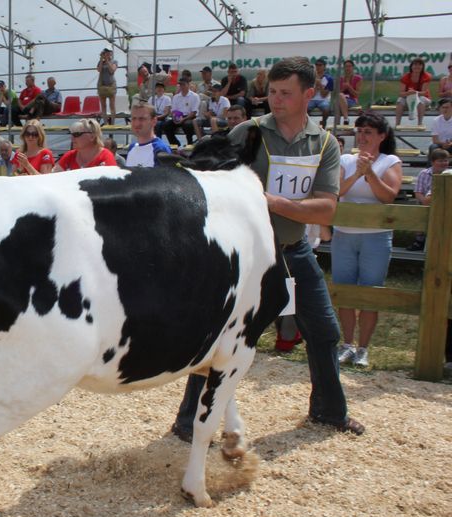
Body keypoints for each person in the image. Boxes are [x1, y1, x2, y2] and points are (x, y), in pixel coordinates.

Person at [172, 56, 365, 442]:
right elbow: (210, 178)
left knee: (324, 332)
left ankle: (329, 411)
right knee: (221, 338)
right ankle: (189, 420)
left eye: (285, 93)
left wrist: (272, 203)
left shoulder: (324, 143)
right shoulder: (249, 131)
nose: (275, 100)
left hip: (294, 250)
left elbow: (328, 205)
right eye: (272, 92)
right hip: (245, 259)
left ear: (309, 94)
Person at [333, 112, 402, 367]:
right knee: (346, 291)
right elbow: (337, 191)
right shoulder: (345, 159)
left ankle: (364, 348)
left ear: (381, 136)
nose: (362, 136)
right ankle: (347, 344)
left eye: (368, 132)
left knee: (371, 292)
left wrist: (370, 173)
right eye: (359, 131)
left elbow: (388, 197)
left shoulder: (390, 161)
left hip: (375, 237)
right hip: (344, 235)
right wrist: (356, 173)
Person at [407, 148, 449, 251]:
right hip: (426, 203)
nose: (444, 163)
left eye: (446, 160)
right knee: (419, 211)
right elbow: (418, 192)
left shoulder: (449, 174)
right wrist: (425, 202)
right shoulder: (424, 173)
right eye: (440, 160)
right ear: (432, 162)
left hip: (445, 205)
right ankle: (419, 241)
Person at [125, 103, 171, 168]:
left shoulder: (160, 149)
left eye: (142, 119)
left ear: (154, 121)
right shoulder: (132, 148)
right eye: (134, 118)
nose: (137, 123)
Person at [163, 72, 201, 146]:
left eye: (184, 84)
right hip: (178, 116)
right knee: (166, 125)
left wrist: (183, 119)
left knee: (187, 125)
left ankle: (189, 144)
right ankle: (175, 144)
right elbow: (173, 110)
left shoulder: (194, 96)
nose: (182, 86)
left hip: (189, 117)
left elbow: (194, 112)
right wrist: (174, 118)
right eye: (180, 85)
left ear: (188, 85)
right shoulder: (176, 97)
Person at [395, 58, 432, 127]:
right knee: (400, 100)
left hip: (423, 98)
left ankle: (420, 124)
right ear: (411, 66)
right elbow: (401, 93)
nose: (417, 67)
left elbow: (424, 93)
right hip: (409, 98)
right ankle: (397, 124)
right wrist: (409, 93)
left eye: (419, 65)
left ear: (422, 66)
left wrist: (414, 92)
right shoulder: (405, 77)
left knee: (421, 99)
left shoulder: (426, 76)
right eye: (415, 64)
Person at [307, 58, 333, 128]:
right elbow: (311, 95)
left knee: (326, 110)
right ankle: (307, 125)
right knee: (305, 109)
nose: (318, 67)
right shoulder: (311, 78)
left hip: (323, 100)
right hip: (312, 100)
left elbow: (324, 95)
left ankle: (323, 123)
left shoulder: (329, 79)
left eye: (320, 65)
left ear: (324, 66)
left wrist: (320, 85)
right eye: (316, 65)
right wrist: (316, 86)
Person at [97, 48, 118, 125]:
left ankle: (112, 123)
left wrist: (107, 60)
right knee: (103, 106)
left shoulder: (114, 61)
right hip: (102, 85)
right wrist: (101, 59)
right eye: (105, 53)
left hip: (111, 85)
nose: (107, 54)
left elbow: (112, 70)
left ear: (111, 53)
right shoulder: (101, 62)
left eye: (109, 53)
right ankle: (105, 123)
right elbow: (99, 70)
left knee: (112, 105)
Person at [338, 60, 362, 126]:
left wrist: (349, 87)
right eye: (346, 66)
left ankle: (345, 119)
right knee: (338, 102)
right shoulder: (341, 79)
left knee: (338, 105)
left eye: (349, 66)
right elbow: (337, 93)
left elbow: (357, 94)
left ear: (353, 67)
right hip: (342, 100)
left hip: (352, 100)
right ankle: (338, 127)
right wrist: (344, 89)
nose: (347, 68)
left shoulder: (358, 78)